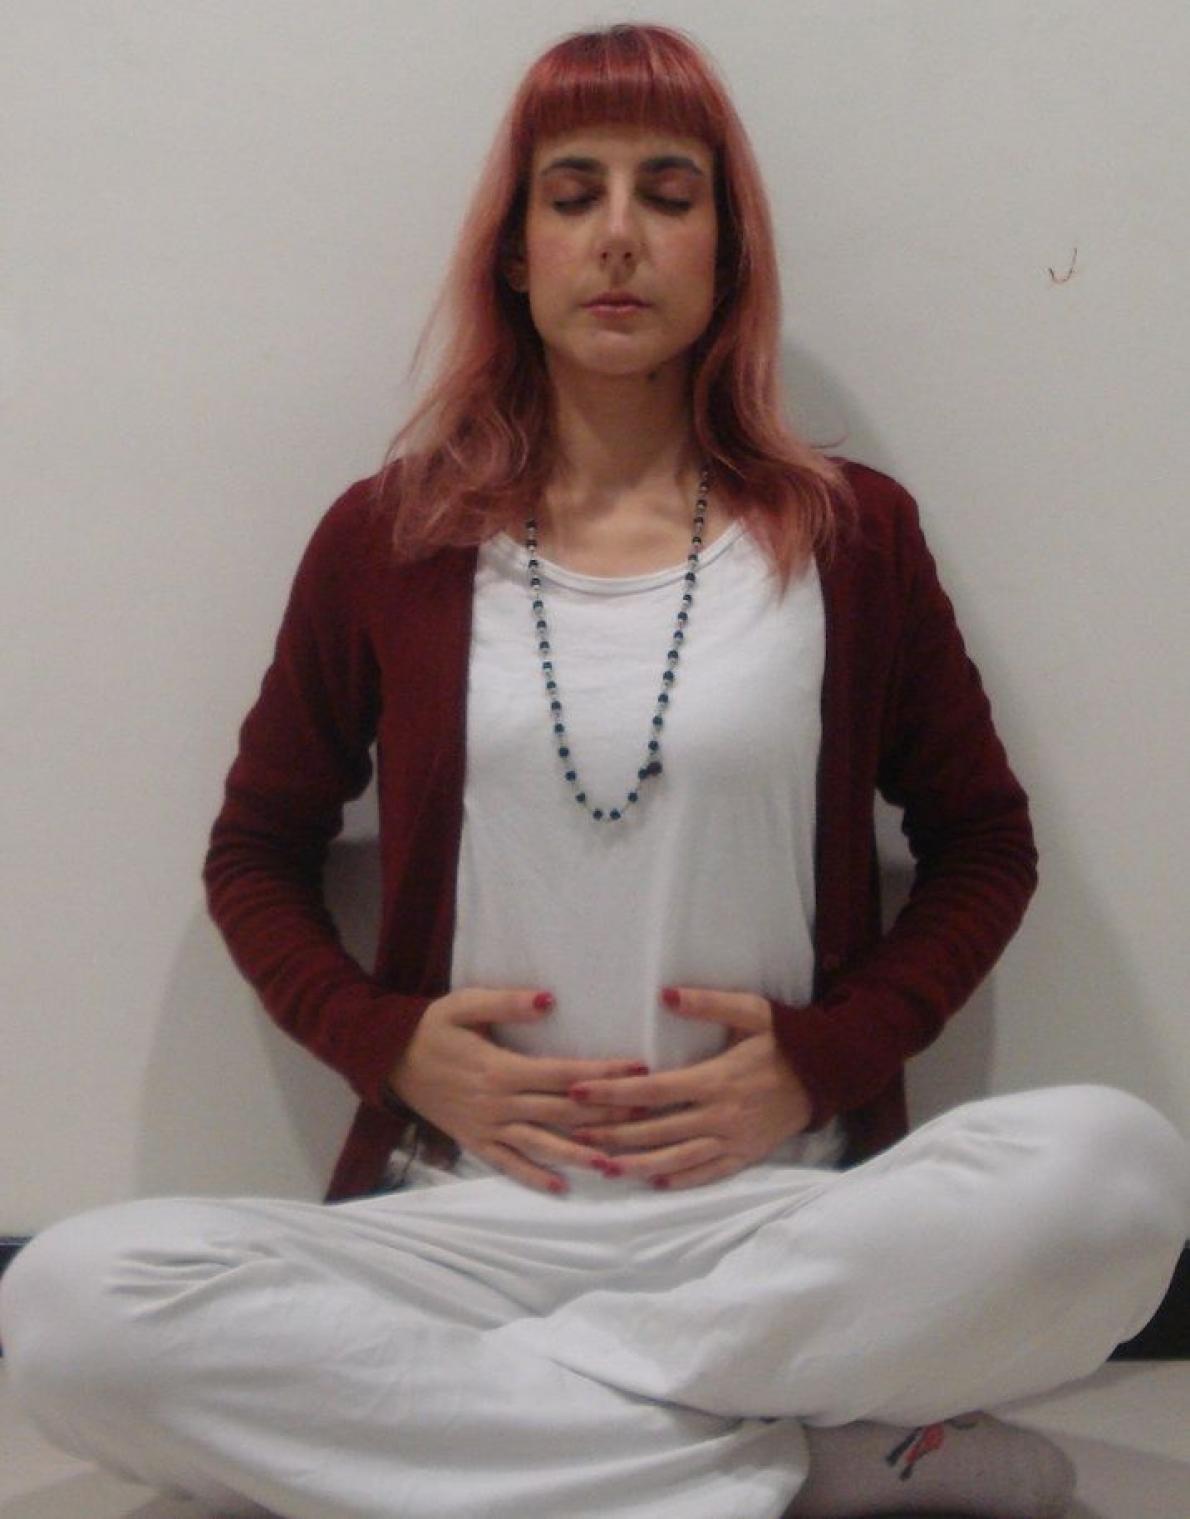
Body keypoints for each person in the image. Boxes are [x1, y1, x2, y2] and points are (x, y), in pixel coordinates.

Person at [2, 21, 1186, 1519]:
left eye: (667, 193)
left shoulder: (849, 536)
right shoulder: (388, 537)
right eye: (572, 194)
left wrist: (821, 1062)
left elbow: (982, 844)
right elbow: (256, 852)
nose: (618, 236)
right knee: (71, 1310)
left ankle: (489, 1429)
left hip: (781, 1226)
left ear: (726, 251)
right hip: (461, 1223)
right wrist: (388, 1046)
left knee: (1117, 1176)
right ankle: (810, 1459)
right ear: (515, 252)